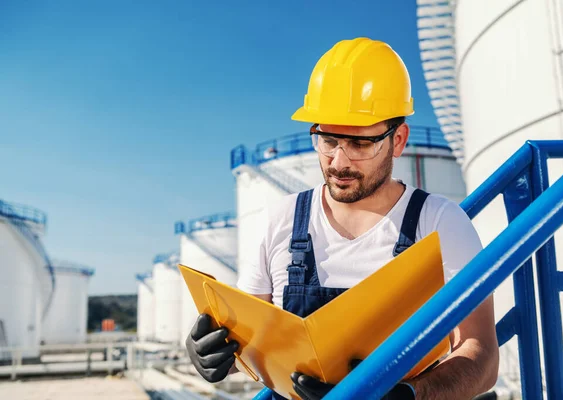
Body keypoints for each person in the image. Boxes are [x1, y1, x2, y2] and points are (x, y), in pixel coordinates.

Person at [185, 37, 499, 399]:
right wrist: (215, 351)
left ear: (398, 139)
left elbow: (482, 358)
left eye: (360, 144)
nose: (339, 161)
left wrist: (409, 395)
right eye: (327, 139)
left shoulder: (440, 223)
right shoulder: (279, 221)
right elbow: (249, 337)